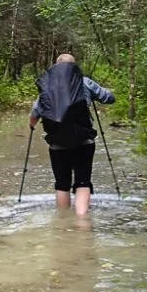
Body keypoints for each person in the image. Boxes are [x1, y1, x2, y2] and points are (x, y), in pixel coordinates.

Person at [29, 53, 115, 215]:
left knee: (62, 183)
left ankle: (62, 221)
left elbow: (35, 113)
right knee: (83, 181)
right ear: (74, 66)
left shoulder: (48, 86)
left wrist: (31, 125)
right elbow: (109, 98)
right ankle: (82, 220)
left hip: (57, 142)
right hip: (84, 140)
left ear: (56, 66)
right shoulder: (84, 82)